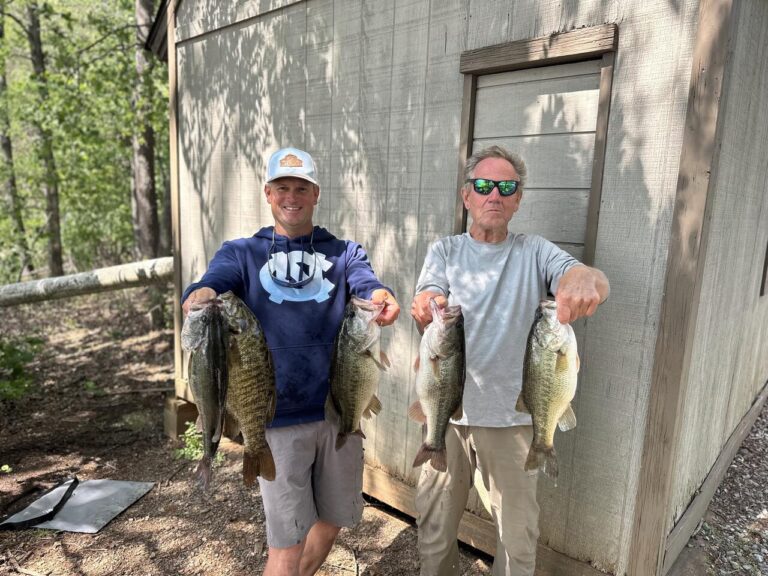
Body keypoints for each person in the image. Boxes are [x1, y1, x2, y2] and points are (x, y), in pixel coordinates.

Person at [182, 147, 400, 576]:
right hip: (275, 417)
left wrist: (380, 297)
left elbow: (366, 283)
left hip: (337, 410)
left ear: (316, 194)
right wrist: (202, 292)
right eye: (282, 187)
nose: (292, 196)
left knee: (334, 520)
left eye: (302, 188)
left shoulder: (344, 251)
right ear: (268, 193)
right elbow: (213, 282)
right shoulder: (242, 252)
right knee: (286, 541)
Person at [410, 145, 609, 576]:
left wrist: (586, 281)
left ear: (518, 200)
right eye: (483, 186)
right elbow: (428, 292)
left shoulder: (535, 251)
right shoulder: (445, 251)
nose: (493, 195)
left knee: (518, 540)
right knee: (434, 529)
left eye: (506, 187)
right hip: (447, 417)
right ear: (467, 197)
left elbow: (584, 276)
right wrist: (427, 301)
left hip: (515, 423)